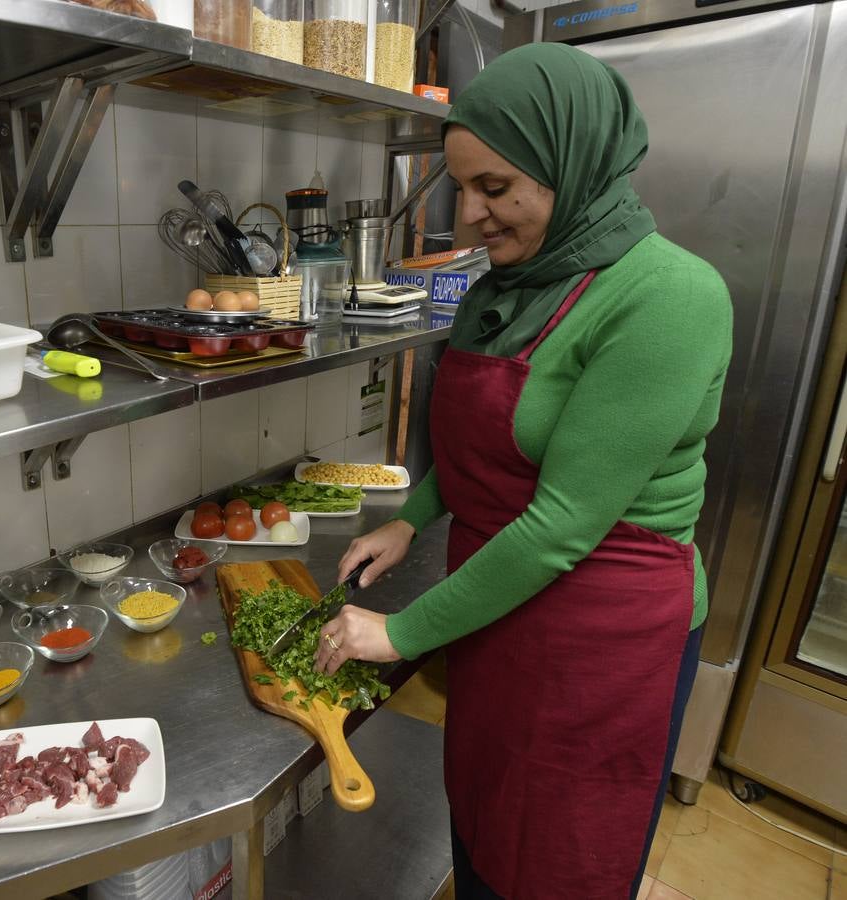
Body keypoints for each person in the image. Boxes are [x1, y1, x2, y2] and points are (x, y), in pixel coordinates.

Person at [313, 43, 732, 899]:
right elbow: (481, 455)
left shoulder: (669, 298)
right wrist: (409, 516)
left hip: (601, 626)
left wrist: (396, 634)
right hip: (498, 595)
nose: (470, 216)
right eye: (461, 187)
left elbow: (565, 521)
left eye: (495, 189)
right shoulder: (504, 285)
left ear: (571, 167)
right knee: (485, 817)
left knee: (560, 854)